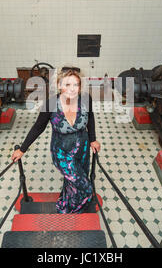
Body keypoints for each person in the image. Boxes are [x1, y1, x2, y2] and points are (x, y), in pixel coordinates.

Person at [11, 67, 101, 214]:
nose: (72, 89)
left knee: (72, 180)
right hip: (62, 152)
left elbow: (90, 118)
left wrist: (93, 139)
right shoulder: (51, 104)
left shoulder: (85, 99)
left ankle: (66, 200)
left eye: (76, 85)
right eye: (67, 85)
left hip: (82, 149)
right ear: (59, 85)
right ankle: (71, 212)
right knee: (85, 185)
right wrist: (22, 149)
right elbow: (37, 128)